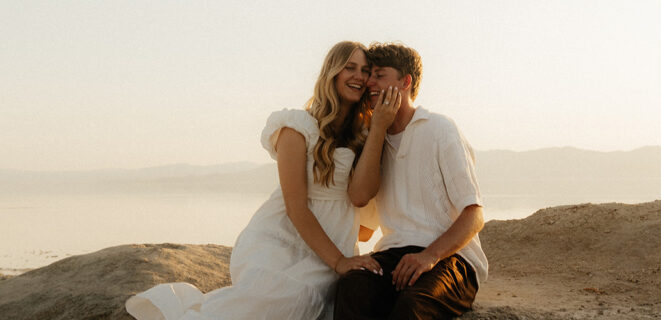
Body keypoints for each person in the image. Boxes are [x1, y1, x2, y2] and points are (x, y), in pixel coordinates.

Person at [126, 41, 385, 320]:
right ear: (332, 72)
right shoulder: (297, 126)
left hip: (332, 243)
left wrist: (379, 128)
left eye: (366, 70)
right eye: (350, 67)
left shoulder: (366, 135)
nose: (359, 76)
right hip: (278, 240)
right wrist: (339, 261)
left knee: (307, 300)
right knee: (282, 298)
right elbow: (295, 207)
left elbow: (366, 222)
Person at [335, 42, 488, 320]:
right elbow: (360, 209)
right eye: (370, 75)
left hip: (451, 260)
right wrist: (378, 129)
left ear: (405, 82)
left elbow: (475, 215)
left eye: (379, 75)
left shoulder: (440, 128)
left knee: (411, 305)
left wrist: (429, 256)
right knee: (351, 288)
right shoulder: (373, 138)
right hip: (394, 254)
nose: (369, 82)